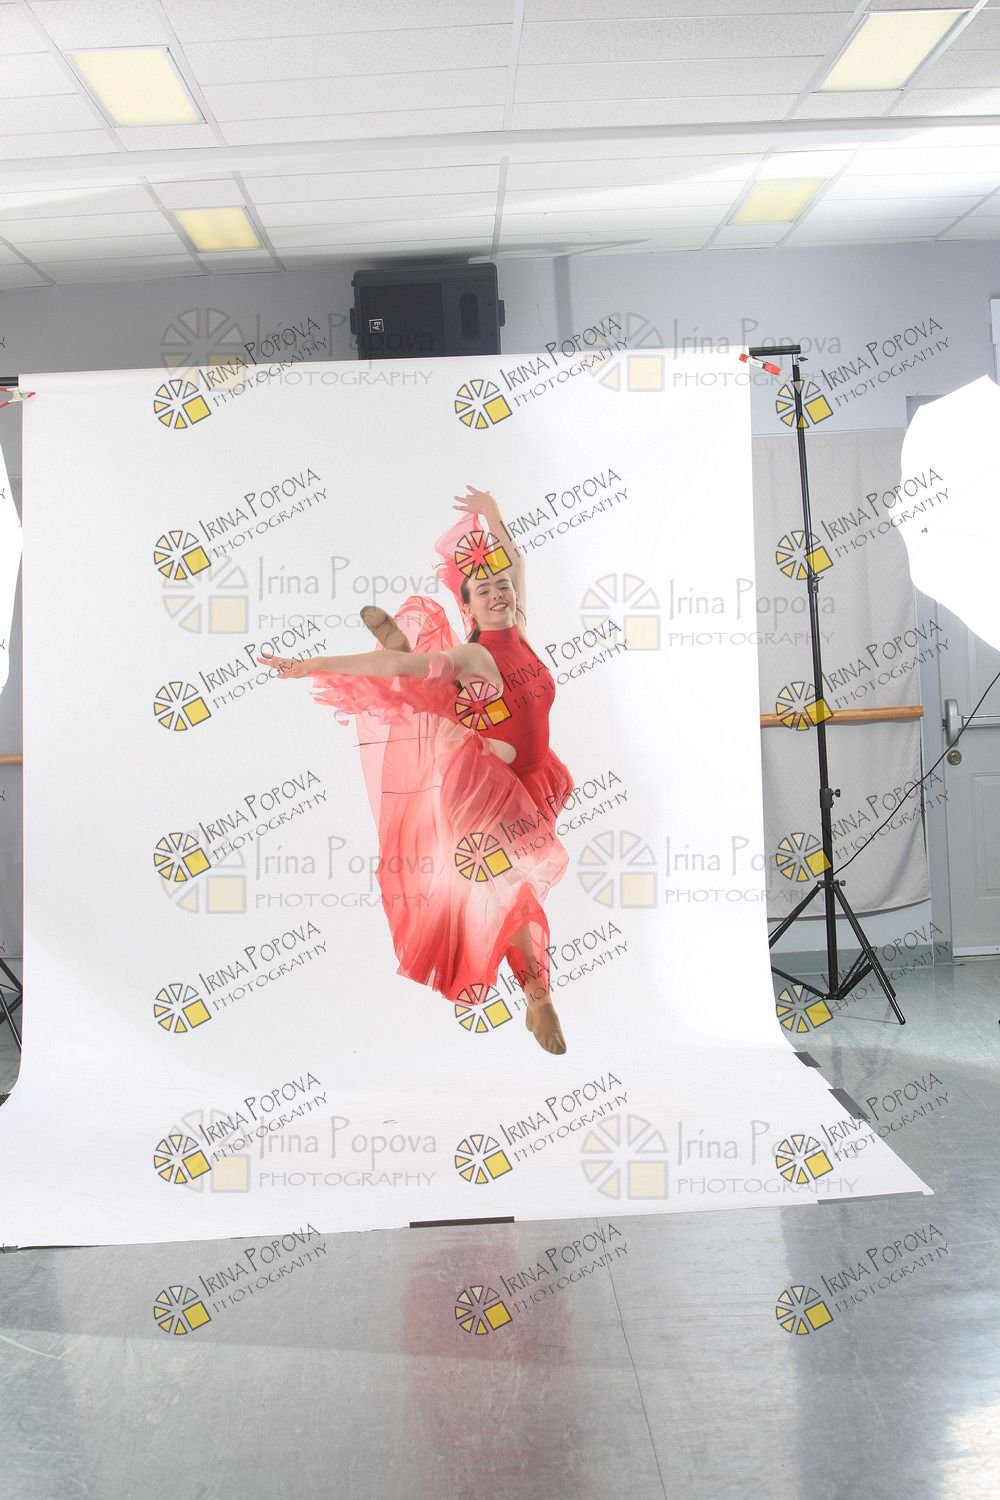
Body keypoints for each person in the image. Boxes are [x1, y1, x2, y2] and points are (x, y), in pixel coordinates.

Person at [258, 487, 573, 1054]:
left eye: (501, 585)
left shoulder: (519, 631)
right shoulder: (477, 653)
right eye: (484, 590)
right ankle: (539, 997)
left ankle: (536, 993)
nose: (499, 592)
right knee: (509, 887)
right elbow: (397, 669)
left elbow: (517, 561)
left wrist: (492, 513)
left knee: (510, 887)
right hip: (485, 792)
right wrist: (312, 664)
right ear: (469, 608)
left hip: (534, 782)